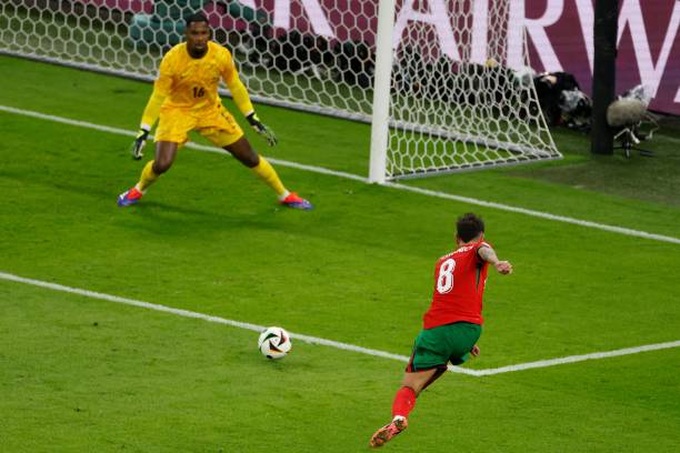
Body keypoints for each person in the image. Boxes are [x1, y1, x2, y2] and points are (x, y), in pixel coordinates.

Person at [117, 12, 312, 210]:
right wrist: (144, 130)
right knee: (162, 164)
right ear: (186, 33)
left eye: (204, 32)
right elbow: (158, 96)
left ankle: (284, 195)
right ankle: (138, 189)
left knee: (249, 157)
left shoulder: (220, 55)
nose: (200, 38)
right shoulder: (172, 59)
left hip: (210, 111)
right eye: (195, 33)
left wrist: (253, 118)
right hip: (177, 111)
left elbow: (235, 86)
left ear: (209, 33)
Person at [369, 212, 512, 448]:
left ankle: (398, 418)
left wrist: (494, 261)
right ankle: (401, 417)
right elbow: (482, 251)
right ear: (481, 235)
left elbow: (480, 254)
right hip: (470, 330)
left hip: (438, 331)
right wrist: (496, 263)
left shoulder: (442, 261)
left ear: (456, 238)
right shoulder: (479, 248)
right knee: (437, 367)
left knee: (409, 387)